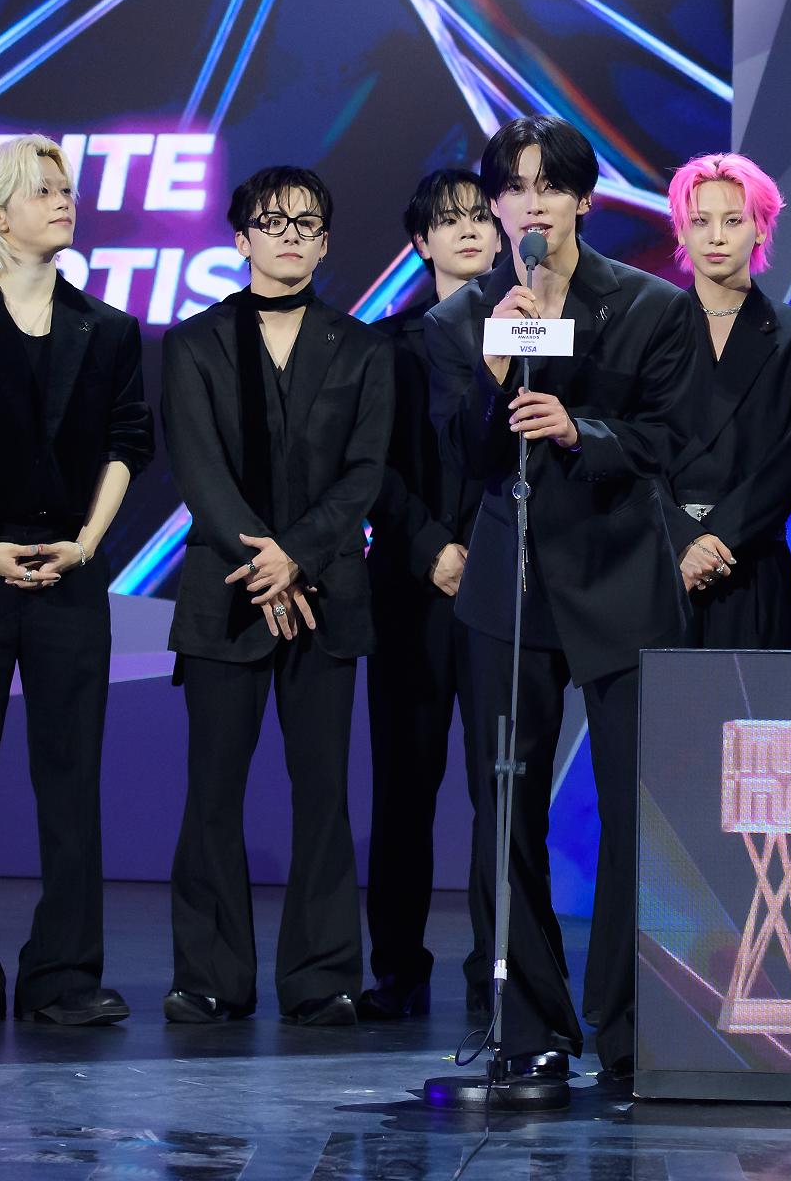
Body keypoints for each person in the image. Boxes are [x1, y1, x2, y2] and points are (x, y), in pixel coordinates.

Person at [424, 115, 701, 1084]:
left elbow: (670, 438)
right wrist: (498, 372)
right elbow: (468, 456)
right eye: (513, 186)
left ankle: (627, 1027)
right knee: (506, 809)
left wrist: (582, 431)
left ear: (584, 199)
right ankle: (531, 1025)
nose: (530, 203)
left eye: (549, 185)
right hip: (512, 584)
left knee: (637, 809)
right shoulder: (459, 321)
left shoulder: (650, 306)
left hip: (620, 575)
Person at [0, 136, 153, 1028]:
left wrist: (86, 543)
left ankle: (65, 974)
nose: (64, 200)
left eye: (66, 188)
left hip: (71, 576)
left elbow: (130, 441)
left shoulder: (110, 328)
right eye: (43, 190)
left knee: (70, 779)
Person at [159, 165, 393, 1028]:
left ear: (325, 244)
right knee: (211, 793)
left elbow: (364, 473)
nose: (290, 234)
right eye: (273, 220)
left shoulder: (364, 349)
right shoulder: (192, 343)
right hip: (225, 593)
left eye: (307, 223)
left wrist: (296, 556)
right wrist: (264, 565)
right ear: (241, 238)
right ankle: (210, 976)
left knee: (323, 793)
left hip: (326, 596)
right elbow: (198, 470)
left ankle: (322, 977)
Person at [363, 167, 500, 1019]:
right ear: (421, 242)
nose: (470, 230)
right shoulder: (385, 346)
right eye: (449, 221)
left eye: (482, 215)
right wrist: (429, 549)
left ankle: (499, 969)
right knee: (404, 789)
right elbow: (368, 465)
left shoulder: (535, 331)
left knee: (502, 789)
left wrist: (480, 552)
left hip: (504, 590)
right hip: (410, 594)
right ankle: (398, 970)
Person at [662, 152, 791, 648]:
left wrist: (715, 545)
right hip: (665, 566)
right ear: (681, 231)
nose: (716, 236)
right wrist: (683, 541)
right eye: (700, 221)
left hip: (752, 565)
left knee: (754, 702)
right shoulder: (648, 331)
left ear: (760, 229)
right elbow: (630, 452)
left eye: (733, 221)